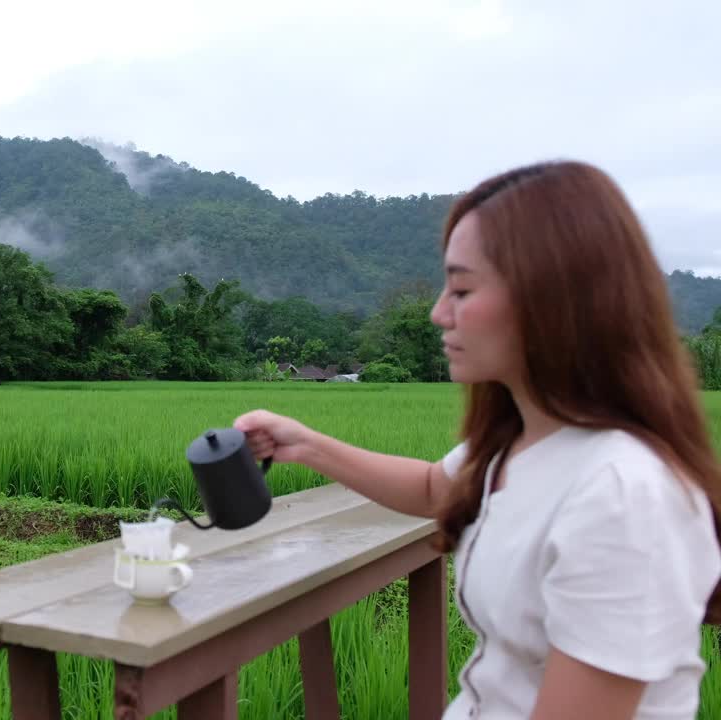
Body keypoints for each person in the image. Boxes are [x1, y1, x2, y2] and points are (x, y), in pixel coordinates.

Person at [234, 160, 721, 720]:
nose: (440, 313)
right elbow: (435, 487)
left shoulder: (623, 494)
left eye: (461, 288)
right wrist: (305, 444)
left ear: (553, 300)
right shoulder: (525, 441)